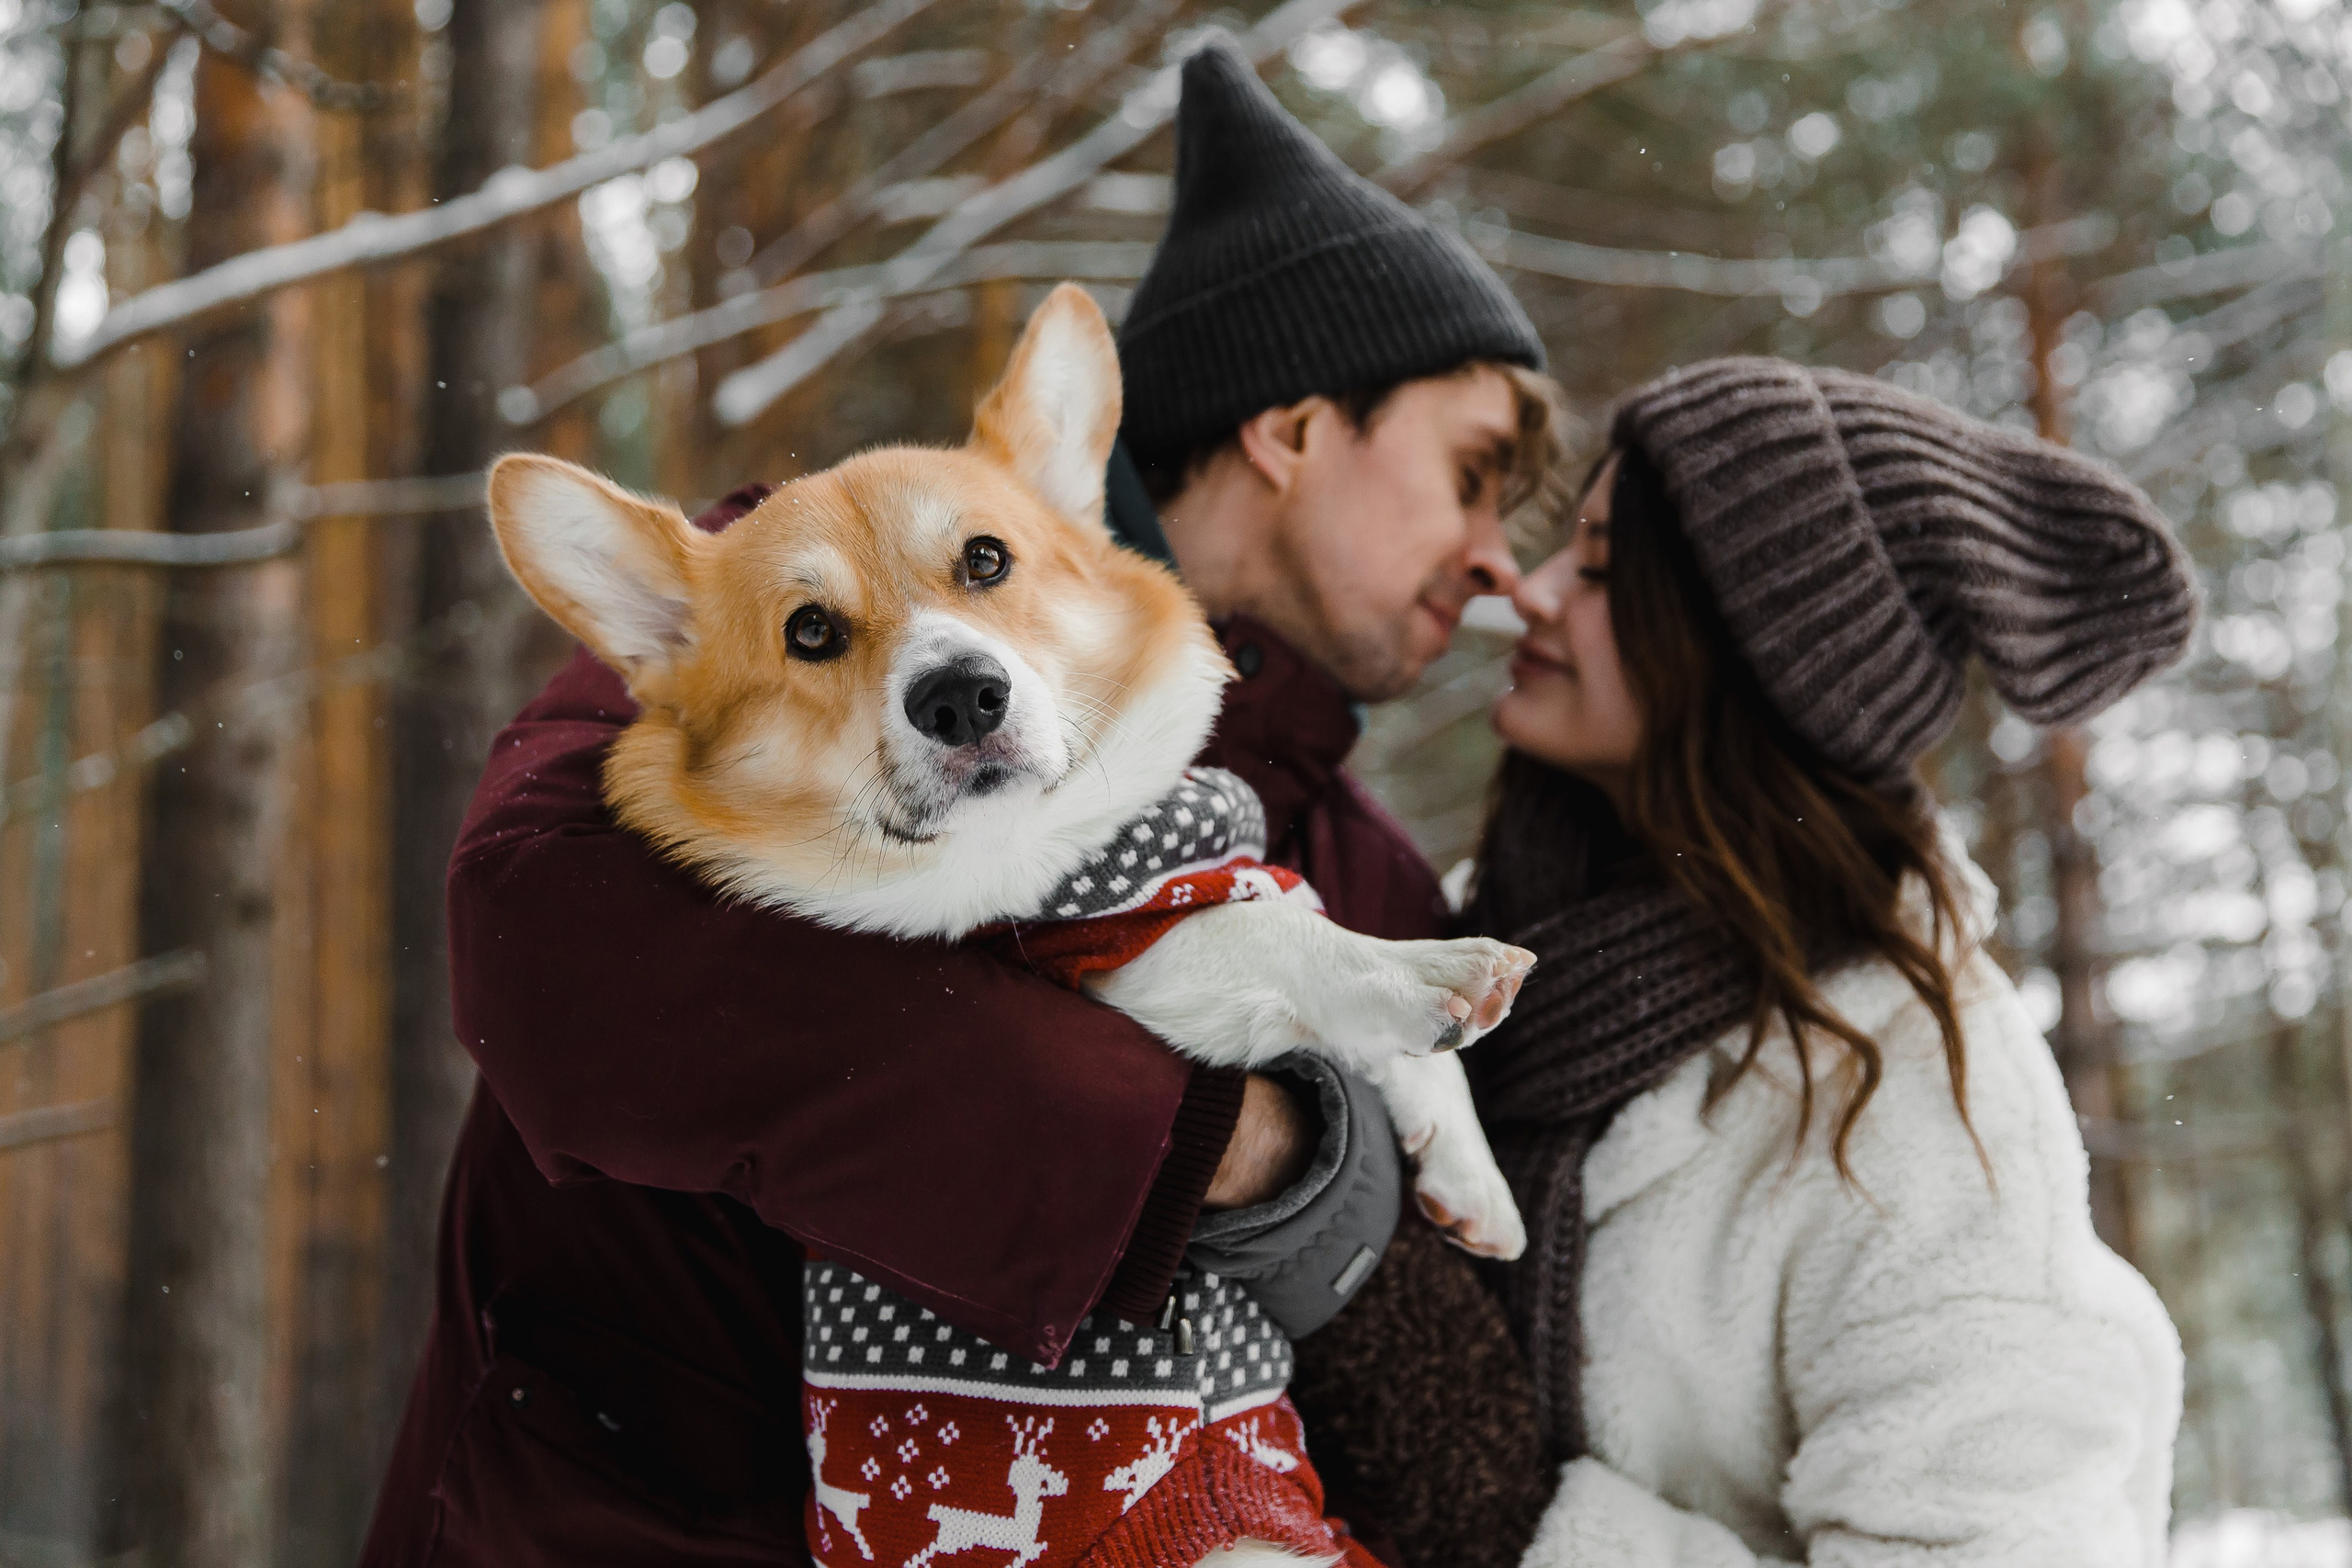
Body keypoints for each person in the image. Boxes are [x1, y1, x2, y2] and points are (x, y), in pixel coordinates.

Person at [360, 38, 1557, 1568]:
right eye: (1471, 475)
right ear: (1298, 430)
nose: (1495, 561)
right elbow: (550, 950)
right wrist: (1227, 1144)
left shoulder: (1359, 872)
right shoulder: (759, 598)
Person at [1318, 356, 2193, 1566]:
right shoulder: (1480, 939)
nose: (1531, 589)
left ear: (1747, 664)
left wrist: (1516, 1528)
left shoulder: (1925, 1101)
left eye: (1605, 572)